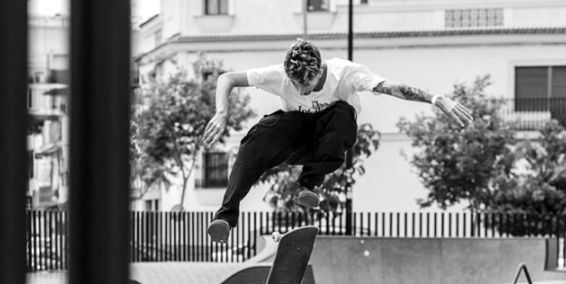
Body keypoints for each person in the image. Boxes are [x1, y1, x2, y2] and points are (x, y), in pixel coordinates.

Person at [201, 39, 474, 243]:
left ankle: (309, 184)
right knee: (256, 139)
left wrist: (435, 98)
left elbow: (391, 88)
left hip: (328, 140)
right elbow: (228, 78)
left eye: (307, 86)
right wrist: (222, 112)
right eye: (296, 86)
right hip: (296, 136)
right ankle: (225, 216)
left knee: (343, 114)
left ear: (319, 70)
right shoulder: (280, 75)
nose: (301, 91)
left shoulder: (345, 72)